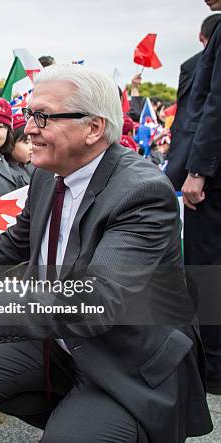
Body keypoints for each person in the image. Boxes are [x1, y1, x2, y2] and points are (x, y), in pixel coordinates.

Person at [0, 64, 212, 442]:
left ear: (93, 128)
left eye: (42, 116)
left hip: (126, 359)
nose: (28, 128)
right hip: (62, 343)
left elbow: (97, 299)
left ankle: (109, 421)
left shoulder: (143, 193)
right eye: (28, 114)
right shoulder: (47, 174)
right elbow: (13, 245)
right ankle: (79, 415)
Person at [180, 2, 221, 394]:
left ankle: (212, 367)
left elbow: (214, 104)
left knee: (207, 268)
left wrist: (197, 169)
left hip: (213, 176)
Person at [166, 13, 221, 190]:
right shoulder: (194, 65)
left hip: (202, 169)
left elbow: (197, 112)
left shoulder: (192, 66)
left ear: (201, 37)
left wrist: (197, 171)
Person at [4, 113, 34, 187]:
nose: (32, 147)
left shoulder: (28, 166)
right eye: (26, 142)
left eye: (33, 141)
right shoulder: (8, 173)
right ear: (10, 142)